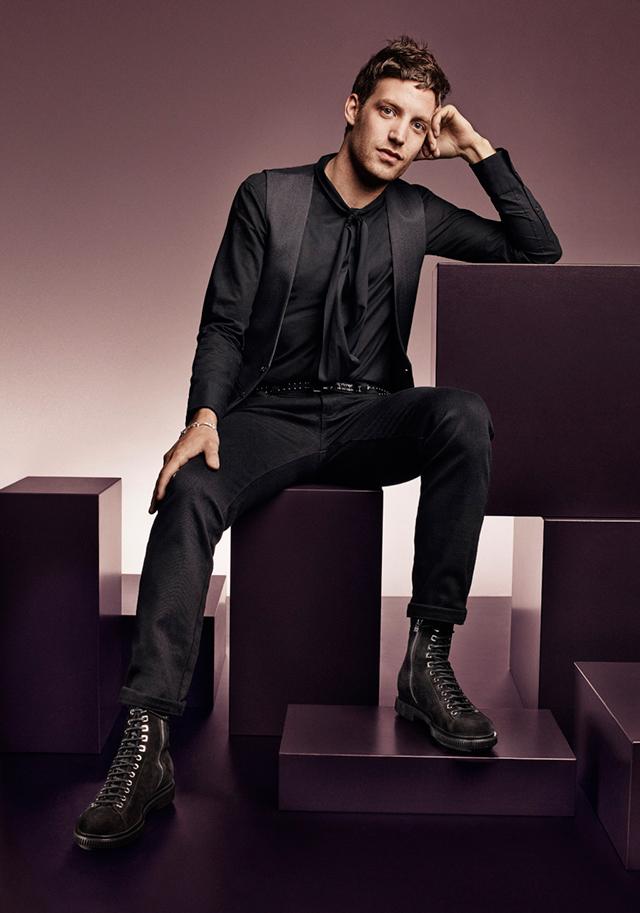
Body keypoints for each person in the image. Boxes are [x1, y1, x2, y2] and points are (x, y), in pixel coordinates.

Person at [73, 34, 562, 850]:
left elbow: (536, 248)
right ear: (353, 107)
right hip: (272, 415)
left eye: (418, 124)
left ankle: (427, 660)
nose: (401, 134)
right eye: (389, 112)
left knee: (464, 415)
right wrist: (203, 418)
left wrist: (476, 148)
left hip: (373, 417)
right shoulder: (269, 197)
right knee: (188, 494)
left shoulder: (418, 212)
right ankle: (145, 742)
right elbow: (224, 324)